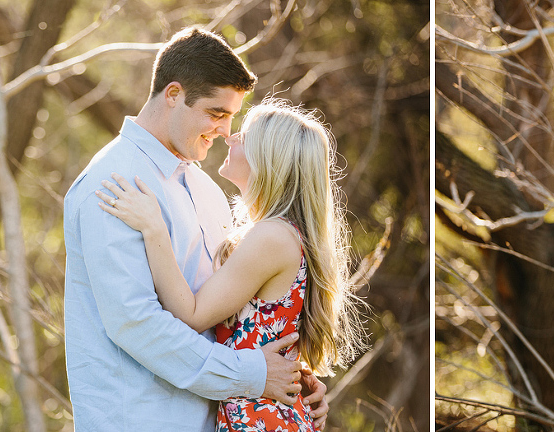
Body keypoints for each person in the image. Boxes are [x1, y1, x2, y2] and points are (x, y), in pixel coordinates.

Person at [63, 28, 327, 431]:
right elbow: (136, 323)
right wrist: (253, 374)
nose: (224, 132)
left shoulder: (207, 190)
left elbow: (241, 312)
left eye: (232, 118)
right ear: (173, 95)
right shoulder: (114, 184)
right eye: (216, 113)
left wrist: (291, 378)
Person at [97, 98, 364, 432]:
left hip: (262, 420)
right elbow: (265, 332)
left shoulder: (272, 237)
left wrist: (154, 229)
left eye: (244, 135)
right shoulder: (277, 235)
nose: (230, 137)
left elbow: (191, 315)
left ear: (268, 158)